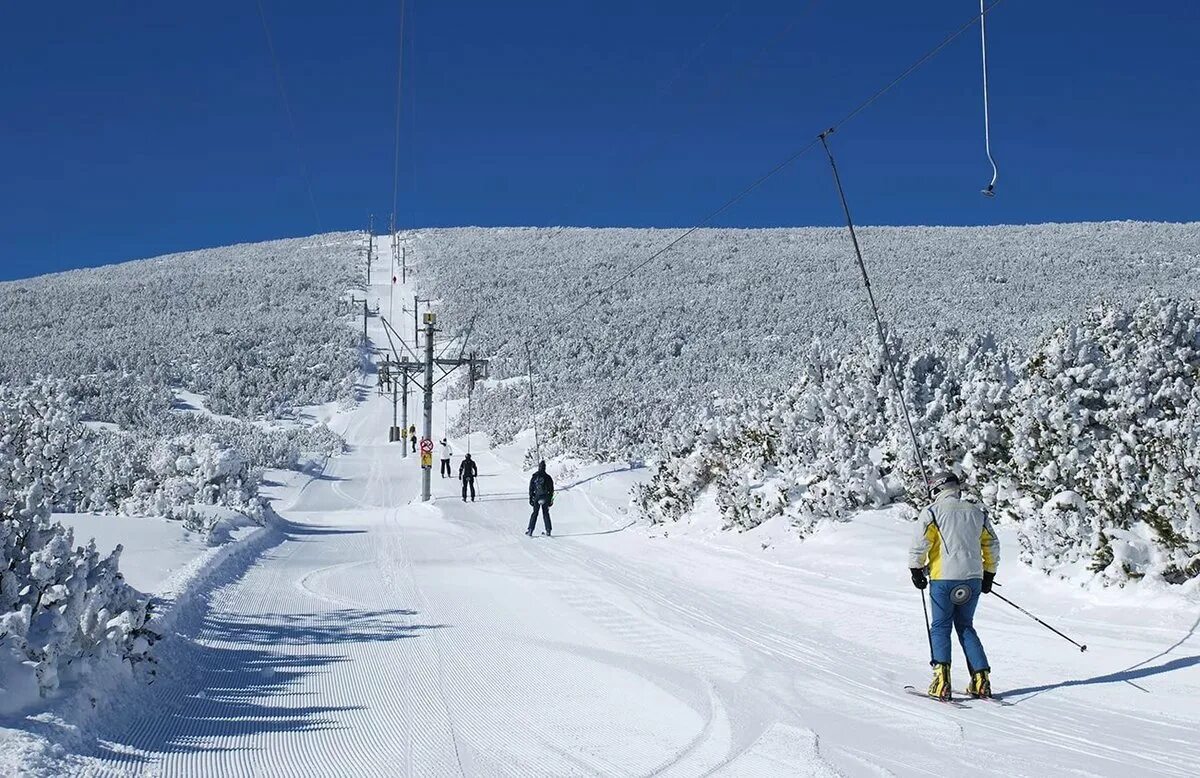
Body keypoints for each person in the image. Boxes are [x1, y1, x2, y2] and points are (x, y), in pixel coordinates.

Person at [908, 471, 1000, 700]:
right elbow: (992, 543)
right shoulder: (977, 512)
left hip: (943, 579)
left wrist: (916, 569)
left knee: (940, 626)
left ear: (938, 488)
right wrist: (989, 574)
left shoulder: (932, 512)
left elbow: (920, 543)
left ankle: (941, 680)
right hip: (972, 579)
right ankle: (981, 680)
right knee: (966, 626)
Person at [527, 460, 554, 537]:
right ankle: (548, 530)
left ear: (539, 467)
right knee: (546, 513)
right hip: (545, 497)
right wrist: (550, 499)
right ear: (545, 468)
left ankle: (530, 530)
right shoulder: (548, 477)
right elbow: (551, 489)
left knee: (535, 513)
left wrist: (531, 498)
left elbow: (531, 488)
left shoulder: (535, 476)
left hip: (537, 497)